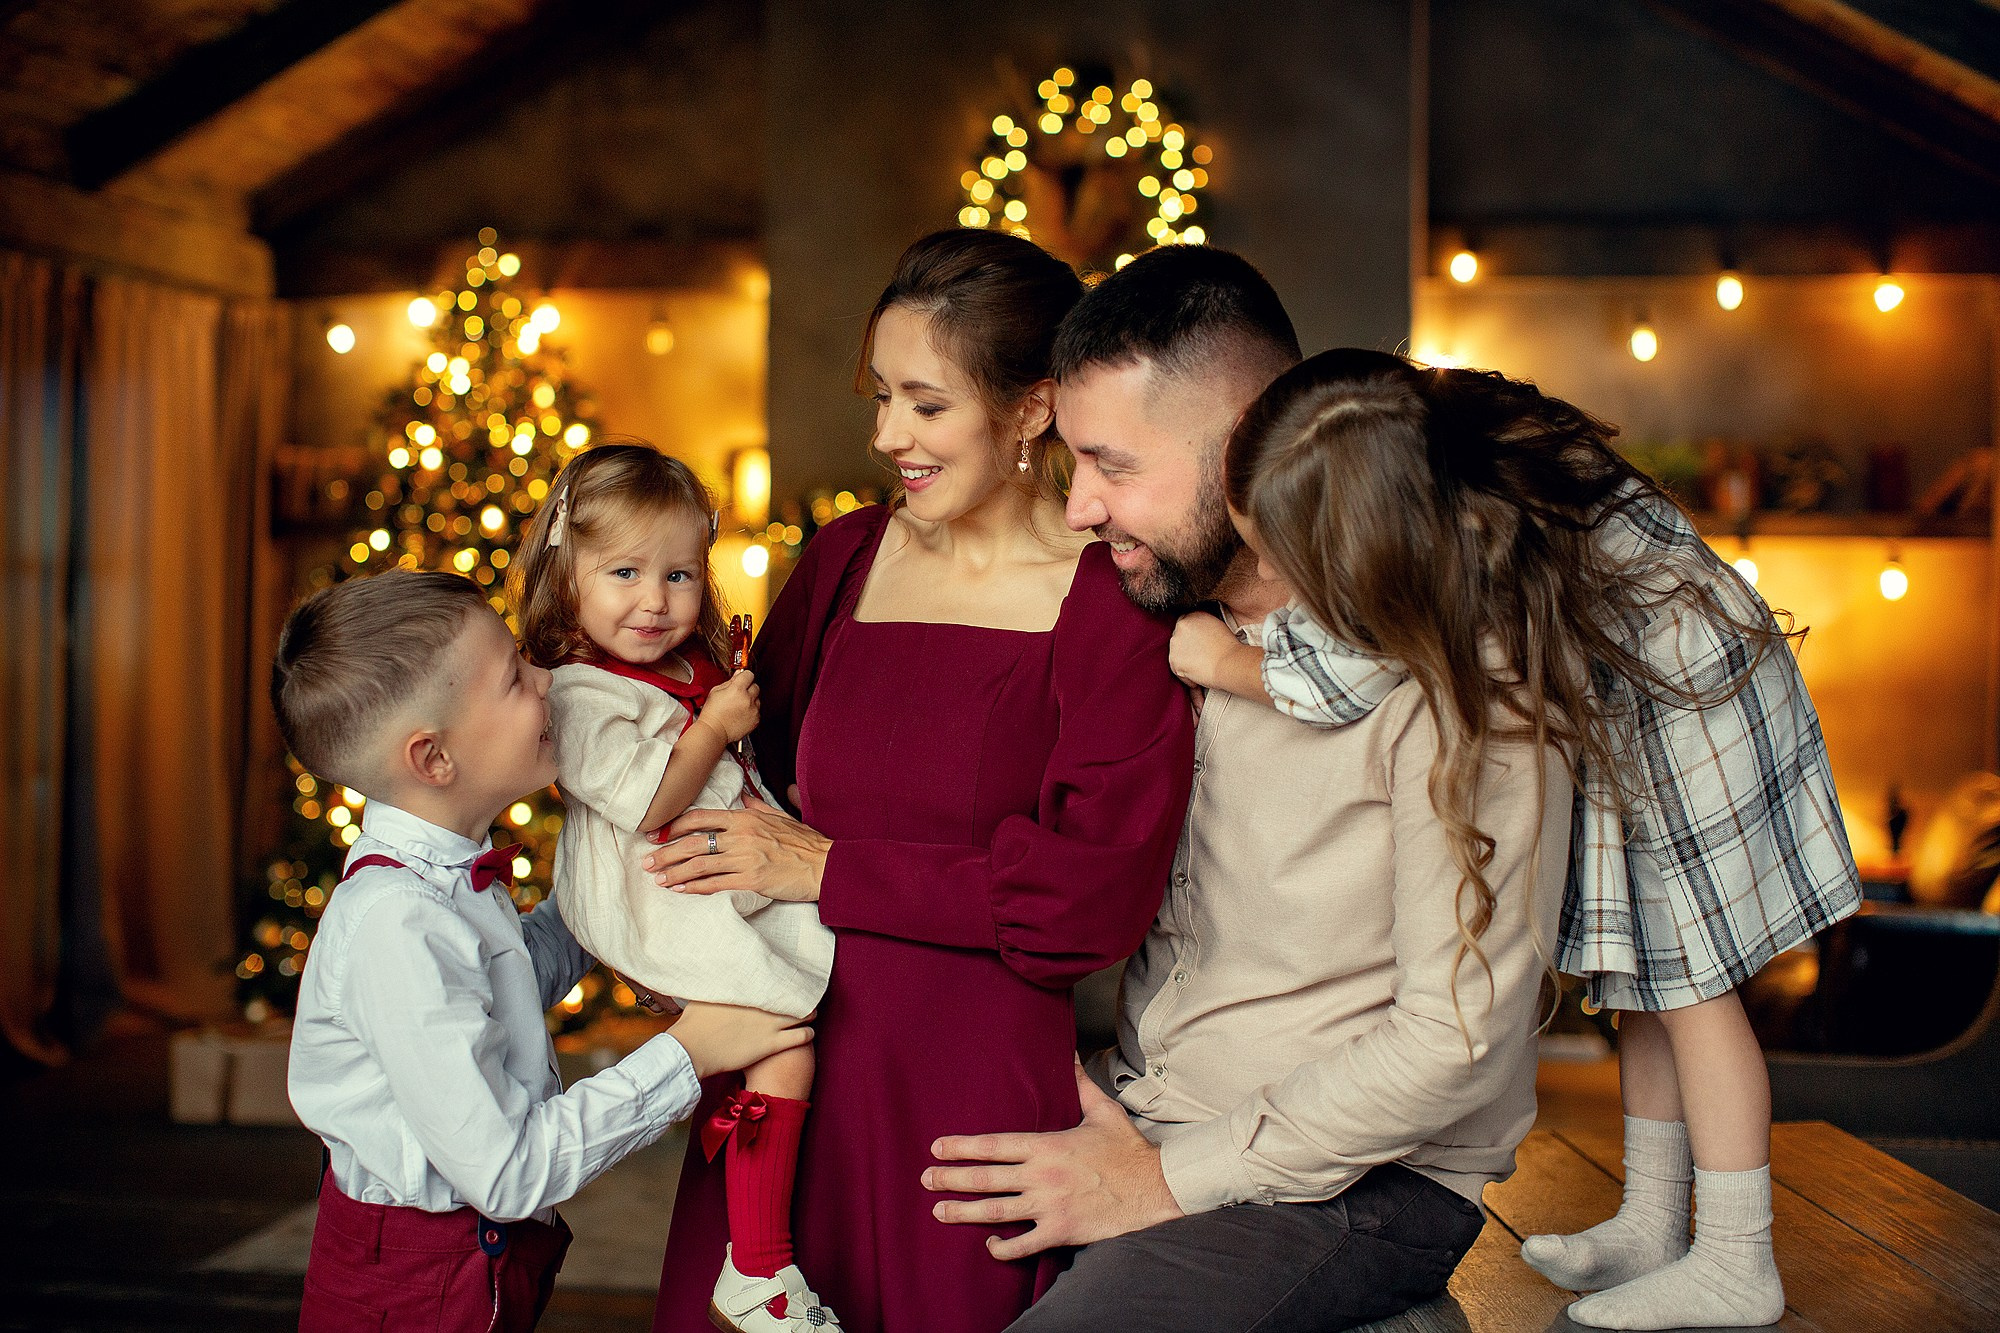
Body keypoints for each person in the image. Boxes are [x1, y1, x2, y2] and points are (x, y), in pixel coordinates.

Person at [923, 245, 1570, 1333]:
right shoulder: (1165, 622)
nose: (1078, 506)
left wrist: (1161, 1182)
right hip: (1145, 1109)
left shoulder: (1455, 666)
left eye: (1111, 464)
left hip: (1355, 1185)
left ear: (1240, 449)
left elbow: (1455, 1040)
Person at [1174, 350, 1859, 1330]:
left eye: (1284, 550)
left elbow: (1358, 672)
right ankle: (1655, 1219)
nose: (1276, 574)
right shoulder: (1436, 444)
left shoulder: (1451, 532)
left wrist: (1224, 659)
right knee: (1641, 981)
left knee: (1694, 991)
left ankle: (1737, 1257)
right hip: (1635, 692)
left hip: (1687, 697)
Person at [643, 228, 1195, 1333]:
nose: (887, 434)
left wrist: (833, 870)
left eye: (925, 403)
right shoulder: (845, 558)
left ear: (1032, 406)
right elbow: (737, 787)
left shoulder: (1108, 603)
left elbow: (1088, 903)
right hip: (782, 1075)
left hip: (965, 1114)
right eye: (880, 395)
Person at [279, 569, 812, 1333]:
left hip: (485, 1269)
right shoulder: (396, 927)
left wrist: (623, 887)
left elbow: (510, 980)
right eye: (514, 678)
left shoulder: (446, 873)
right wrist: (689, 1051)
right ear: (433, 758)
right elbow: (508, 1170)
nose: (550, 679)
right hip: (412, 1291)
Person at [510, 443, 839, 1332]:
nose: (655, 599)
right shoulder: (578, 692)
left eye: (679, 573)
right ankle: (760, 1266)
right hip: (657, 886)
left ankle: (754, 1208)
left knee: (808, 1011)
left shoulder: (678, 660)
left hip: (707, 872)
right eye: (624, 571)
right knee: (787, 1037)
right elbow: (654, 801)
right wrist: (719, 723)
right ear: (565, 578)